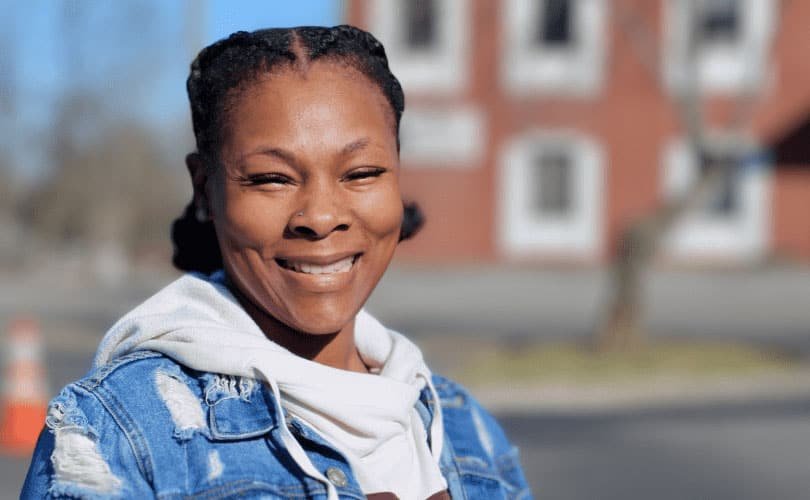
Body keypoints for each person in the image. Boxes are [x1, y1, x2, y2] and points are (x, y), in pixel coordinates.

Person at [21, 25, 531, 499]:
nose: (321, 216)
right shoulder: (120, 434)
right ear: (205, 189)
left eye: (362, 173)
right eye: (272, 179)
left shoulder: (468, 432)